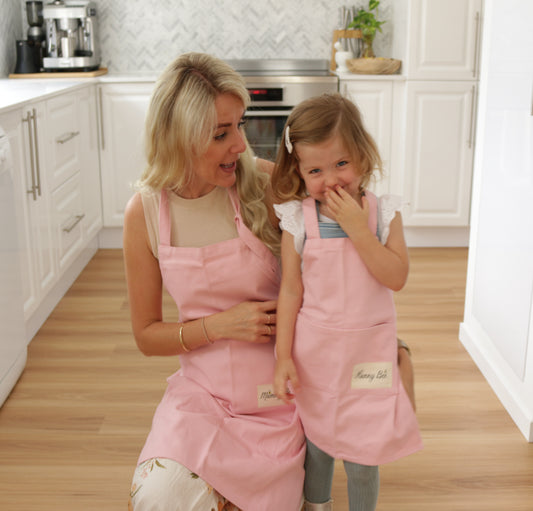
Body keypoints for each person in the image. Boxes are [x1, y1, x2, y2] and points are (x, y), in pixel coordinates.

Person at [123, 52, 306, 511]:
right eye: (221, 134)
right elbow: (147, 336)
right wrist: (221, 325)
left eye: (239, 126)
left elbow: (329, 279)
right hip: (201, 398)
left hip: (275, 398)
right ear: (180, 140)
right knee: (157, 499)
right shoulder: (145, 212)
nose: (241, 145)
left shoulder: (263, 183)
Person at [271, 93, 423, 511]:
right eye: (315, 170)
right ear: (299, 171)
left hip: (368, 358)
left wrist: (357, 227)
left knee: (362, 454)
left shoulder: (382, 214)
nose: (331, 179)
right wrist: (283, 356)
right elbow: (290, 290)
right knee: (318, 446)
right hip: (316, 356)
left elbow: (396, 277)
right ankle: (315, 505)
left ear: (362, 156)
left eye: (341, 164)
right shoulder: (297, 219)